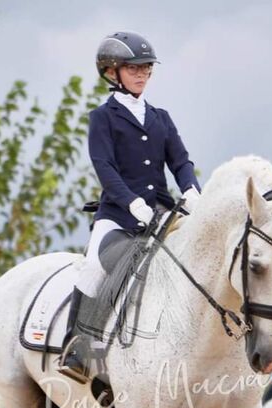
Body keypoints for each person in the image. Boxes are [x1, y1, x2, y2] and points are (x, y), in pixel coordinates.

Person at [59, 31, 201, 383]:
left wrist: (192, 190)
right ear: (112, 72)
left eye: (147, 68)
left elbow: (180, 162)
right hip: (118, 216)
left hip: (161, 215)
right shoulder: (102, 118)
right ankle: (78, 347)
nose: (142, 74)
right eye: (134, 68)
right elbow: (104, 167)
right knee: (94, 266)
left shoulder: (160, 118)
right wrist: (131, 201)